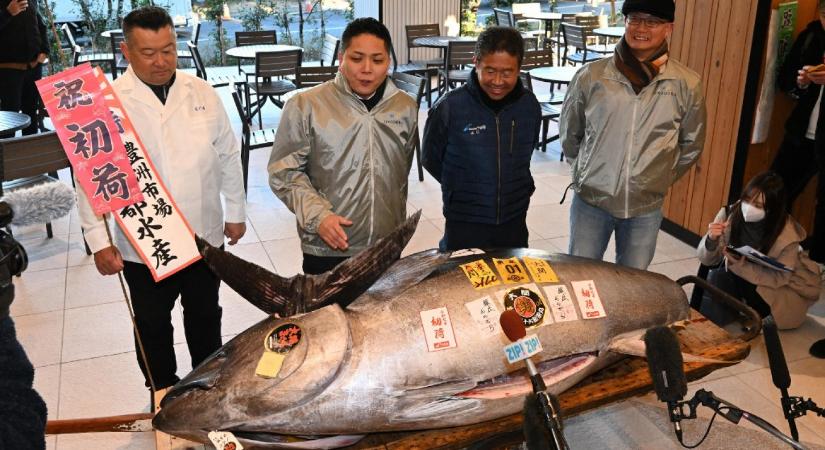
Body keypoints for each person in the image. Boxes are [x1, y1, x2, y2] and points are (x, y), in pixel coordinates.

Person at [76, 6, 246, 401]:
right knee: (152, 323)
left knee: (205, 315)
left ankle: (205, 389)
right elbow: (90, 177)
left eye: (168, 49)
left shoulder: (200, 91)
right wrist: (99, 240)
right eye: (148, 52)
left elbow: (227, 154)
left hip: (202, 233)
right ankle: (161, 392)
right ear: (126, 51)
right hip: (144, 242)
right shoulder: (106, 105)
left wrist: (235, 212)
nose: (161, 61)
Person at [559, 0, 706, 270]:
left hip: (645, 206)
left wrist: (658, 178)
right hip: (591, 200)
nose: (642, 28)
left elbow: (691, 143)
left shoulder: (686, 83)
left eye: (652, 21)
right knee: (580, 277)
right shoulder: (592, 76)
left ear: (669, 28)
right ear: (625, 22)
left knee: (634, 285)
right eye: (635, 19)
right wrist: (584, 169)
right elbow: (570, 131)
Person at [268, 17, 418, 275]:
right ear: (341, 59)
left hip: (386, 247)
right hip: (329, 246)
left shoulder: (405, 106)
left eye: (377, 60)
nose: (367, 69)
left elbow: (400, 173)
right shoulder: (306, 106)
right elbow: (284, 173)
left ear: (388, 63)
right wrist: (318, 217)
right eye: (357, 58)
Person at [422, 26, 541, 251]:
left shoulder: (529, 106)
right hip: (465, 220)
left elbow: (528, 149)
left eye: (507, 73)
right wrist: (460, 186)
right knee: (462, 281)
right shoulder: (450, 106)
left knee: (510, 281)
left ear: (519, 68)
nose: (497, 81)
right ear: (475, 62)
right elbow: (430, 159)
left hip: (513, 216)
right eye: (489, 70)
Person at [697, 172, 820, 330]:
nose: (748, 208)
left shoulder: (786, 234)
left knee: (752, 295)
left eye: (758, 206)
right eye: (747, 200)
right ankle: (727, 315)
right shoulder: (729, 213)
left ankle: (751, 313)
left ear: (772, 210)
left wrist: (741, 267)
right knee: (715, 278)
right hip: (738, 272)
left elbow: (780, 277)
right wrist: (711, 240)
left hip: (767, 285)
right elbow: (706, 260)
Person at [770, 0, 825, 268]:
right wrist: (801, 82)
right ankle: (770, 252)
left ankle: (817, 267)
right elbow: (785, 80)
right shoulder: (812, 36)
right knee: (776, 192)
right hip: (801, 133)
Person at [0, 0, 49, 136]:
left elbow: (40, 25)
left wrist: (44, 51)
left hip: (33, 67)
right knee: (9, 116)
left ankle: (30, 153)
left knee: (31, 112)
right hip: (8, 69)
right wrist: (8, 13)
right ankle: (7, 155)